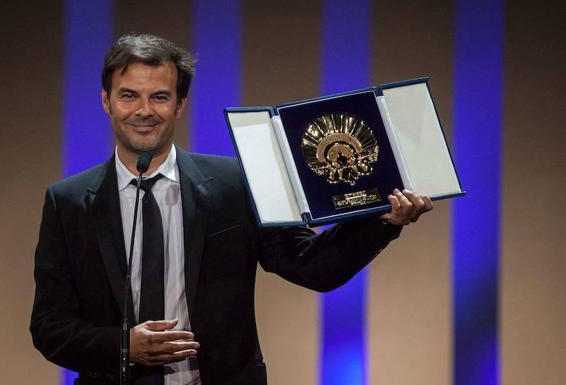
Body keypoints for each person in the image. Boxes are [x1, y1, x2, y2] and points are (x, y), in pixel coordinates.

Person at [30, 34, 433, 385]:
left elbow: (312, 267)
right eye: (129, 95)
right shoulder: (68, 202)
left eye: (160, 96)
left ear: (180, 104)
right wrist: (124, 347)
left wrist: (383, 221)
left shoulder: (236, 184)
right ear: (106, 101)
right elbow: (49, 326)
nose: (144, 110)